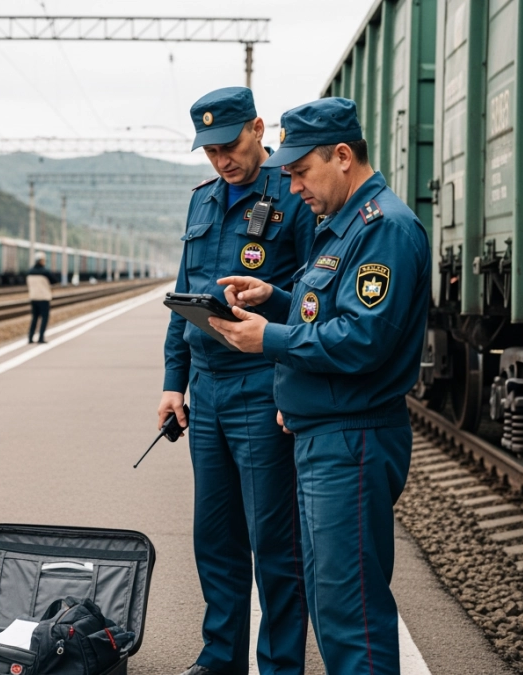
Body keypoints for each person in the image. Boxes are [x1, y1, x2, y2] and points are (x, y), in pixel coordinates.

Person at [209, 97, 431, 675]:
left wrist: (270, 340)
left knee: (350, 614)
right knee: (333, 606)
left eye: (301, 171)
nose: (293, 185)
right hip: (322, 438)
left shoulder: (382, 229)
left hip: (350, 443)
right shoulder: (342, 228)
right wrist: (277, 300)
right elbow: (326, 310)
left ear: (341, 156)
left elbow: (362, 339)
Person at [160, 86, 314, 675]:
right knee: (216, 538)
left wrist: (291, 379)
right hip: (209, 388)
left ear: (257, 127)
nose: (222, 160)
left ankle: (278, 666)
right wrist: (174, 383)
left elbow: (311, 299)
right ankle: (220, 659)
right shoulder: (203, 202)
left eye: (229, 145)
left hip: (262, 384)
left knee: (274, 544)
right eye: (210, 151)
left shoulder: (293, 196)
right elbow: (183, 298)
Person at [26, 252, 53, 343]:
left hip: (33, 297)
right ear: (41, 261)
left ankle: (30, 338)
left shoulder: (30, 271)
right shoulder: (45, 272)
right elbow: (54, 280)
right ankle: (41, 338)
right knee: (44, 318)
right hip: (43, 297)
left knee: (34, 318)